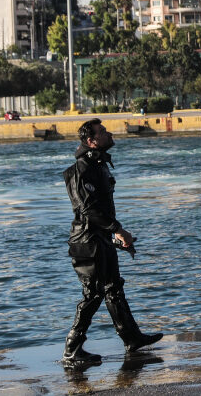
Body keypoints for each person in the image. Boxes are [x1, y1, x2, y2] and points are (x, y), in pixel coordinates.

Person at [62, 118, 163, 367]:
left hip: (100, 238)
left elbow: (102, 211)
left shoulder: (99, 166)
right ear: (91, 141)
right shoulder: (82, 169)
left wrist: (115, 236)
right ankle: (72, 350)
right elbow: (89, 212)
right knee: (93, 294)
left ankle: (132, 339)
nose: (108, 134)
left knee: (113, 289)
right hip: (86, 241)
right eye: (103, 132)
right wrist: (118, 230)